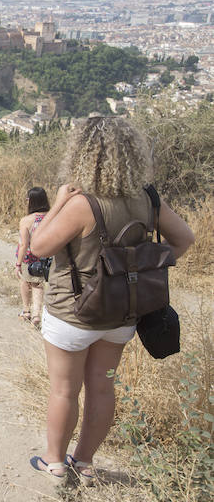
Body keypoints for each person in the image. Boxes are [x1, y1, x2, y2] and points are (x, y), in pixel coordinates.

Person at [28, 117, 194, 485]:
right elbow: (184, 240)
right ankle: (84, 462)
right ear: (131, 156)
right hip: (122, 313)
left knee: (64, 390)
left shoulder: (81, 204)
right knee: (102, 387)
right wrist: (146, 262)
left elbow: (38, 247)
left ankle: (54, 462)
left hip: (73, 313)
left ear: (84, 156)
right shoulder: (148, 199)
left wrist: (56, 204)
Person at [16, 187, 50, 328]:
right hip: (47, 255)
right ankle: (35, 313)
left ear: (32, 201)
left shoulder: (26, 220)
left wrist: (18, 263)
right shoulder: (52, 217)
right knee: (38, 284)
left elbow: (24, 244)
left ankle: (28, 312)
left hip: (29, 257)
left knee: (25, 281)